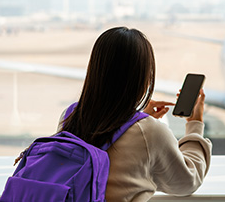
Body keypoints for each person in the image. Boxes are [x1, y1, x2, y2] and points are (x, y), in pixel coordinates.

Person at [59, 27, 212, 201]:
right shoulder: (150, 133)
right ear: (144, 78)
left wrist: (135, 121)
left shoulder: (70, 115)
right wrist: (195, 123)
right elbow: (187, 181)